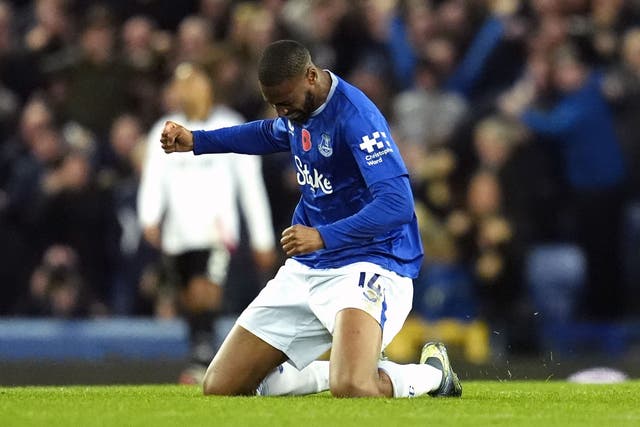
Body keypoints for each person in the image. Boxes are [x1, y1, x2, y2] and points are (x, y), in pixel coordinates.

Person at [160, 39, 462, 398]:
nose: (282, 112)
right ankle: (338, 370)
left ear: (311, 76)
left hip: (370, 262)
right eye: (275, 104)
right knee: (222, 386)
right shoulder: (296, 110)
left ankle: (432, 374)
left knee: (353, 386)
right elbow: (265, 133)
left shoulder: (356, 117)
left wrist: (324, 237)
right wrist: (197, 140)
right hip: (308, 267)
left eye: (285, 102)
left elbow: (397, 205)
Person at [138, 62, 277, 383]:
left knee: (205, 290)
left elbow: (250, 186)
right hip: (178, 234)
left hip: (217, 231)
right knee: (189, 297)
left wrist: (262, 239)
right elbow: (153, 179)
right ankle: (200, 351)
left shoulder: (229, 126)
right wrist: (150, 217)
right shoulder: (164, 128)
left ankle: (201, 361)